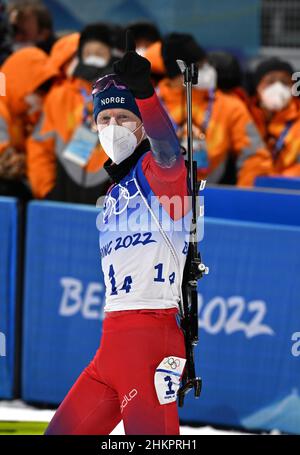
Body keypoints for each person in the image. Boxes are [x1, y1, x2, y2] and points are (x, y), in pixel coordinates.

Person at [45, 32, 191, 435]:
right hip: (111, 346)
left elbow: (168, 151)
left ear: (141, 126)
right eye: (104, 119)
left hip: (150, 341)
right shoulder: (113, 189)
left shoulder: (159, 174)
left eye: (124, 118)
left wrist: (145, 95)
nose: (112, 126)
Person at [158, 33, 272, 186]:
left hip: (213, 195)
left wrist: (244, 197)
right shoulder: (149, 104)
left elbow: (255, 158)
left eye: (207, 64)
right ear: (179, 73)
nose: (208, 70)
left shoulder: (230, 106)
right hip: (157, 198)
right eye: (200, 66)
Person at [27, 23, 117, 203]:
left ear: (110, 56)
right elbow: (40, 145)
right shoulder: (59, 95)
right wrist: (45, 190)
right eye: (89, 53)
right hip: (63, 193)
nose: (94, 59)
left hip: (108, 195)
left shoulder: (124, 94)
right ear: (80, 55)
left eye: (100, 53)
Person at [0, 47, 57, 199]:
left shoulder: (24, 117)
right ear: (20, 82)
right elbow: (6, 161)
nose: (41, 98)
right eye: (39, 91)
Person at [249, 58, 300, 177]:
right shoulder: (246, 115)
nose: (278, 87)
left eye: (284, 82)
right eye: (270, 81)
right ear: (257, 86)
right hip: (249, 190)